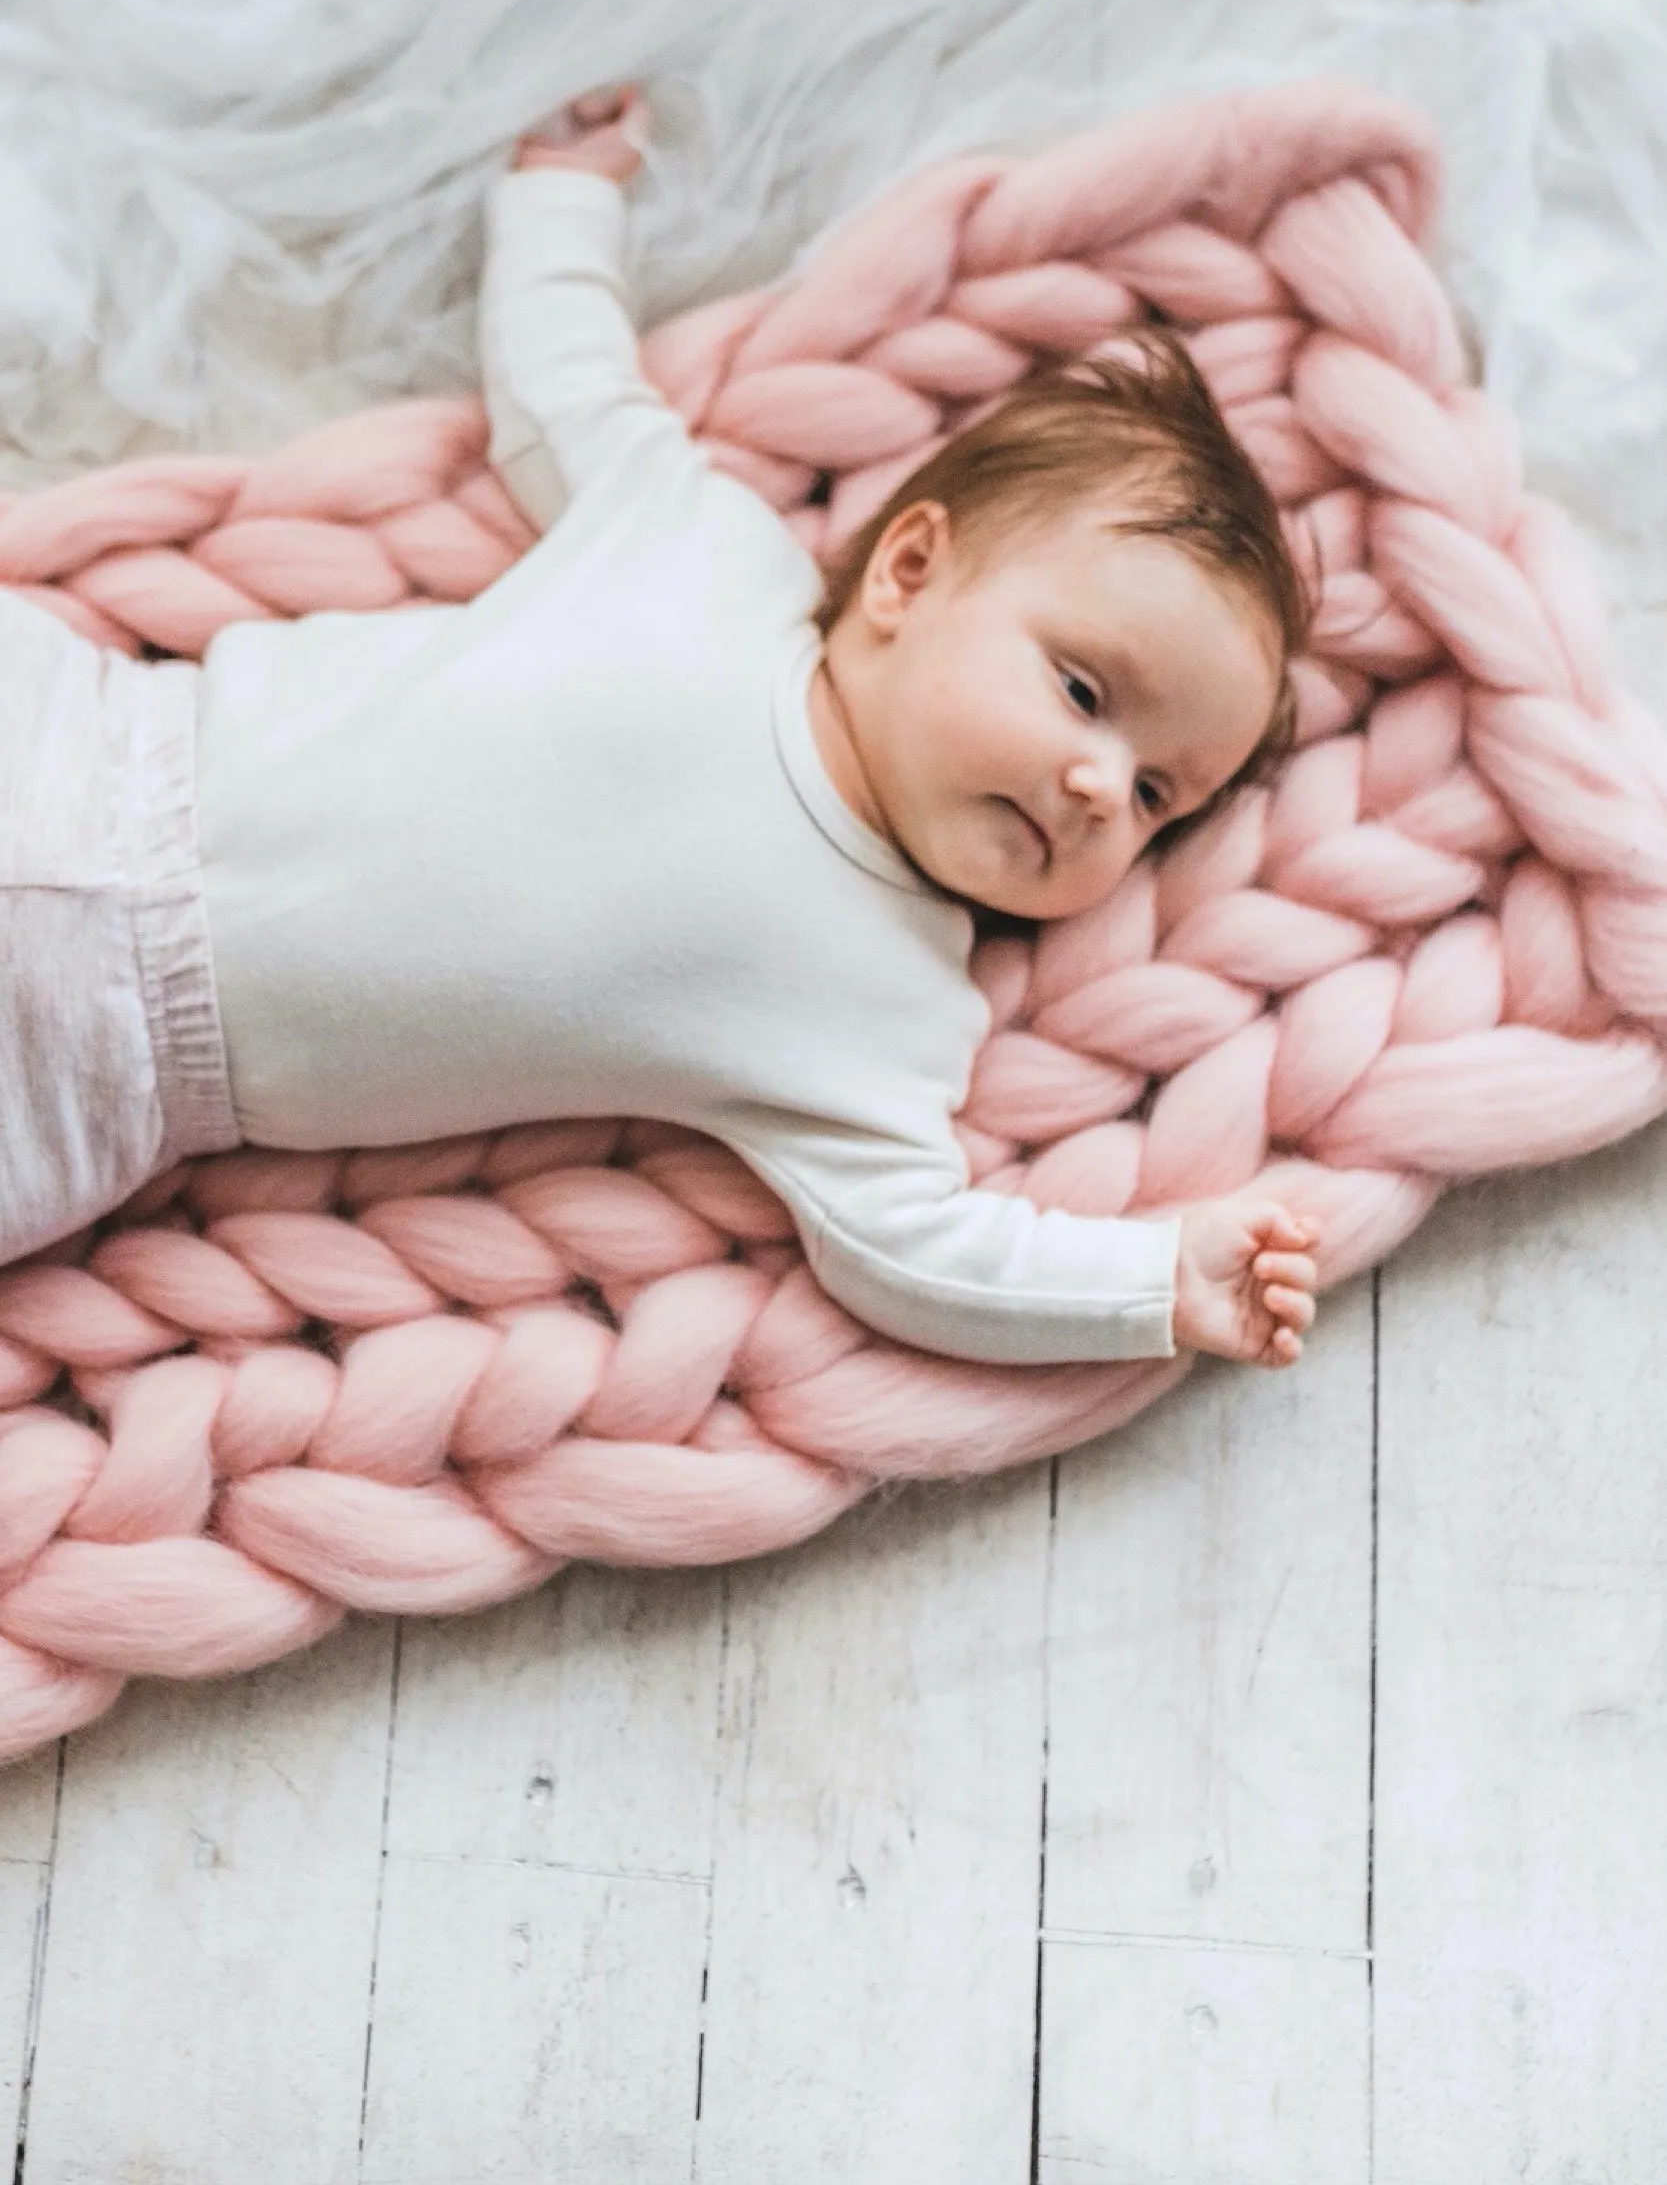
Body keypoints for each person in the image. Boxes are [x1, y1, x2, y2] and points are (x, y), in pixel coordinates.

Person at [1, 88, 1319, 1371]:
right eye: (1084, 695)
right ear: (909, 575)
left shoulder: (884, 1008)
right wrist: (563, 203)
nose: (1098, 786)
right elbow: (563, 393)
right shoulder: (705, 554)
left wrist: (1154, 1281)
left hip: (104, 1076)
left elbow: (916, 1249)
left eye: (1157, 798)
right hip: (91, 741)